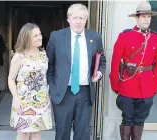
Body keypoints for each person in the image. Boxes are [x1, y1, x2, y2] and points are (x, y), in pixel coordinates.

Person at [46, 4, 106, 140]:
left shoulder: (95, 37)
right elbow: (49, 64)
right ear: (69, 19)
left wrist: (99, 73)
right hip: (62, 93)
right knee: (62, 133)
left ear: (86, 20)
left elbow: (101, 59)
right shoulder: (56, 37)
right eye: (75, 18)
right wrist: (52, 87)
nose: (78, 21)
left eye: (82, 18)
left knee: (83, 133)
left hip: (85, 92)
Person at [109, 1, 157, 140]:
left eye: (149, 17)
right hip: (128, 85)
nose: (147, 19)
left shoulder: (156, 38)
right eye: (143, 16)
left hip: (146, 87)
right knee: (127, 119)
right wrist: (116, 85)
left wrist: (154, 87)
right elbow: (115, 63)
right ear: (137, 18)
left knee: (140, 120)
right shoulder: (125, 36)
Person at [8, 23, 52, 140]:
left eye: (40, 34)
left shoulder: (43, 54)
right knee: (24, 133)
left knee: (37, 132)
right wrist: (16, 100)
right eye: (35, 35)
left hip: (41, 100)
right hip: (23, 100)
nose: (40, 37)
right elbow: (11, 79)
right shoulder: (19, 56)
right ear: (27, 38)